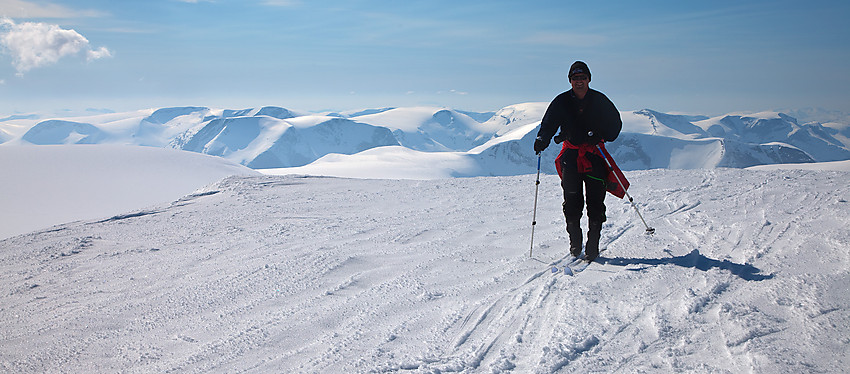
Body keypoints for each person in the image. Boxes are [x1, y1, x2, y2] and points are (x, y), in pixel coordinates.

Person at [533, 61, 622, 262]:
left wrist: (600, 135)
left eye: (582, 78)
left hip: (594, 156)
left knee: (595, 201)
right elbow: (549, 123)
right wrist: (542, 139)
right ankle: (575, 243)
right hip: (571, 157)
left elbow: (615, 125)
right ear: (570, 81)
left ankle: (593, 246)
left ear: (589, 79)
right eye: (575, 79)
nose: (579, 82)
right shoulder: (561, 102)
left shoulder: (600, 100)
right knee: (572, 201)